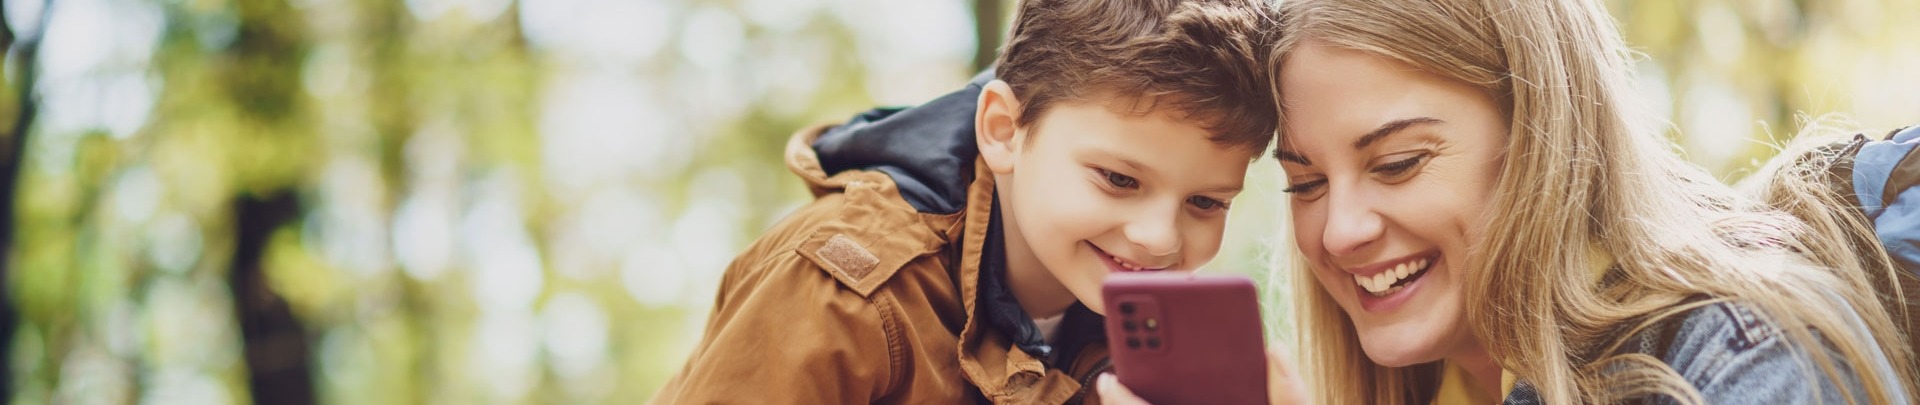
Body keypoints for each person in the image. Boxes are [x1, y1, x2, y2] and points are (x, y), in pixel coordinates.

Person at [1095, 0, 1917, 403]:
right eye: (1305, 182)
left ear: (1545, 141)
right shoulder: (1429, 382)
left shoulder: (1737, 363)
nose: (1338, 230)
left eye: (1399, 163)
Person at [647, 0, 1279, 403]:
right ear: (1004, 130)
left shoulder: (1151, 349)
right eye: (1118, 179)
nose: (1159, 238)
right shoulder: (846, 293)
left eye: (1205, 201)